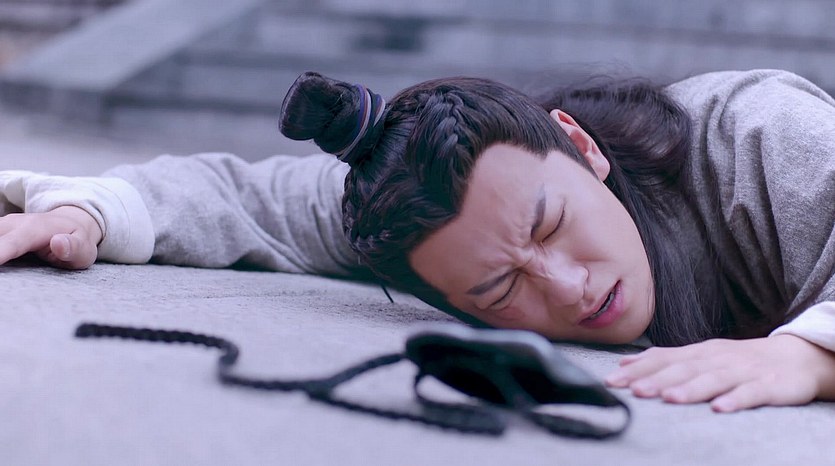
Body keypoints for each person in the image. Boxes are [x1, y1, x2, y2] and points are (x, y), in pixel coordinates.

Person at [2, 68, 835, 413]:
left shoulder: (756, 135)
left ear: (580, 147)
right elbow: (245, 196)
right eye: (499, 291)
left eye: (549, 225)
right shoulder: (429, 226)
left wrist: (806, 355)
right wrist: (86, 215)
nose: (565, 286)